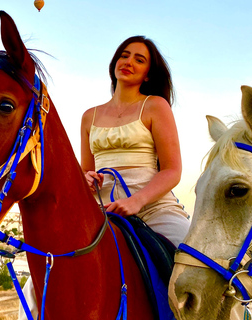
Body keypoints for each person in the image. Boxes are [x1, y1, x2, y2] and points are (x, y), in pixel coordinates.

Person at [80, 35, 190, 247]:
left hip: (154, 208)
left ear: (148, 75)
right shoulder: (89, 116)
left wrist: (135, 201)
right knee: (50, 261)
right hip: (102, 210)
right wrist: (86, 179)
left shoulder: (156, 106)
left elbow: (172, 170)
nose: (129, 62)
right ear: (115, 64)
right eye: (124, 56)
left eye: (139, 60)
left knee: (191, 262)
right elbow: (86, 169)